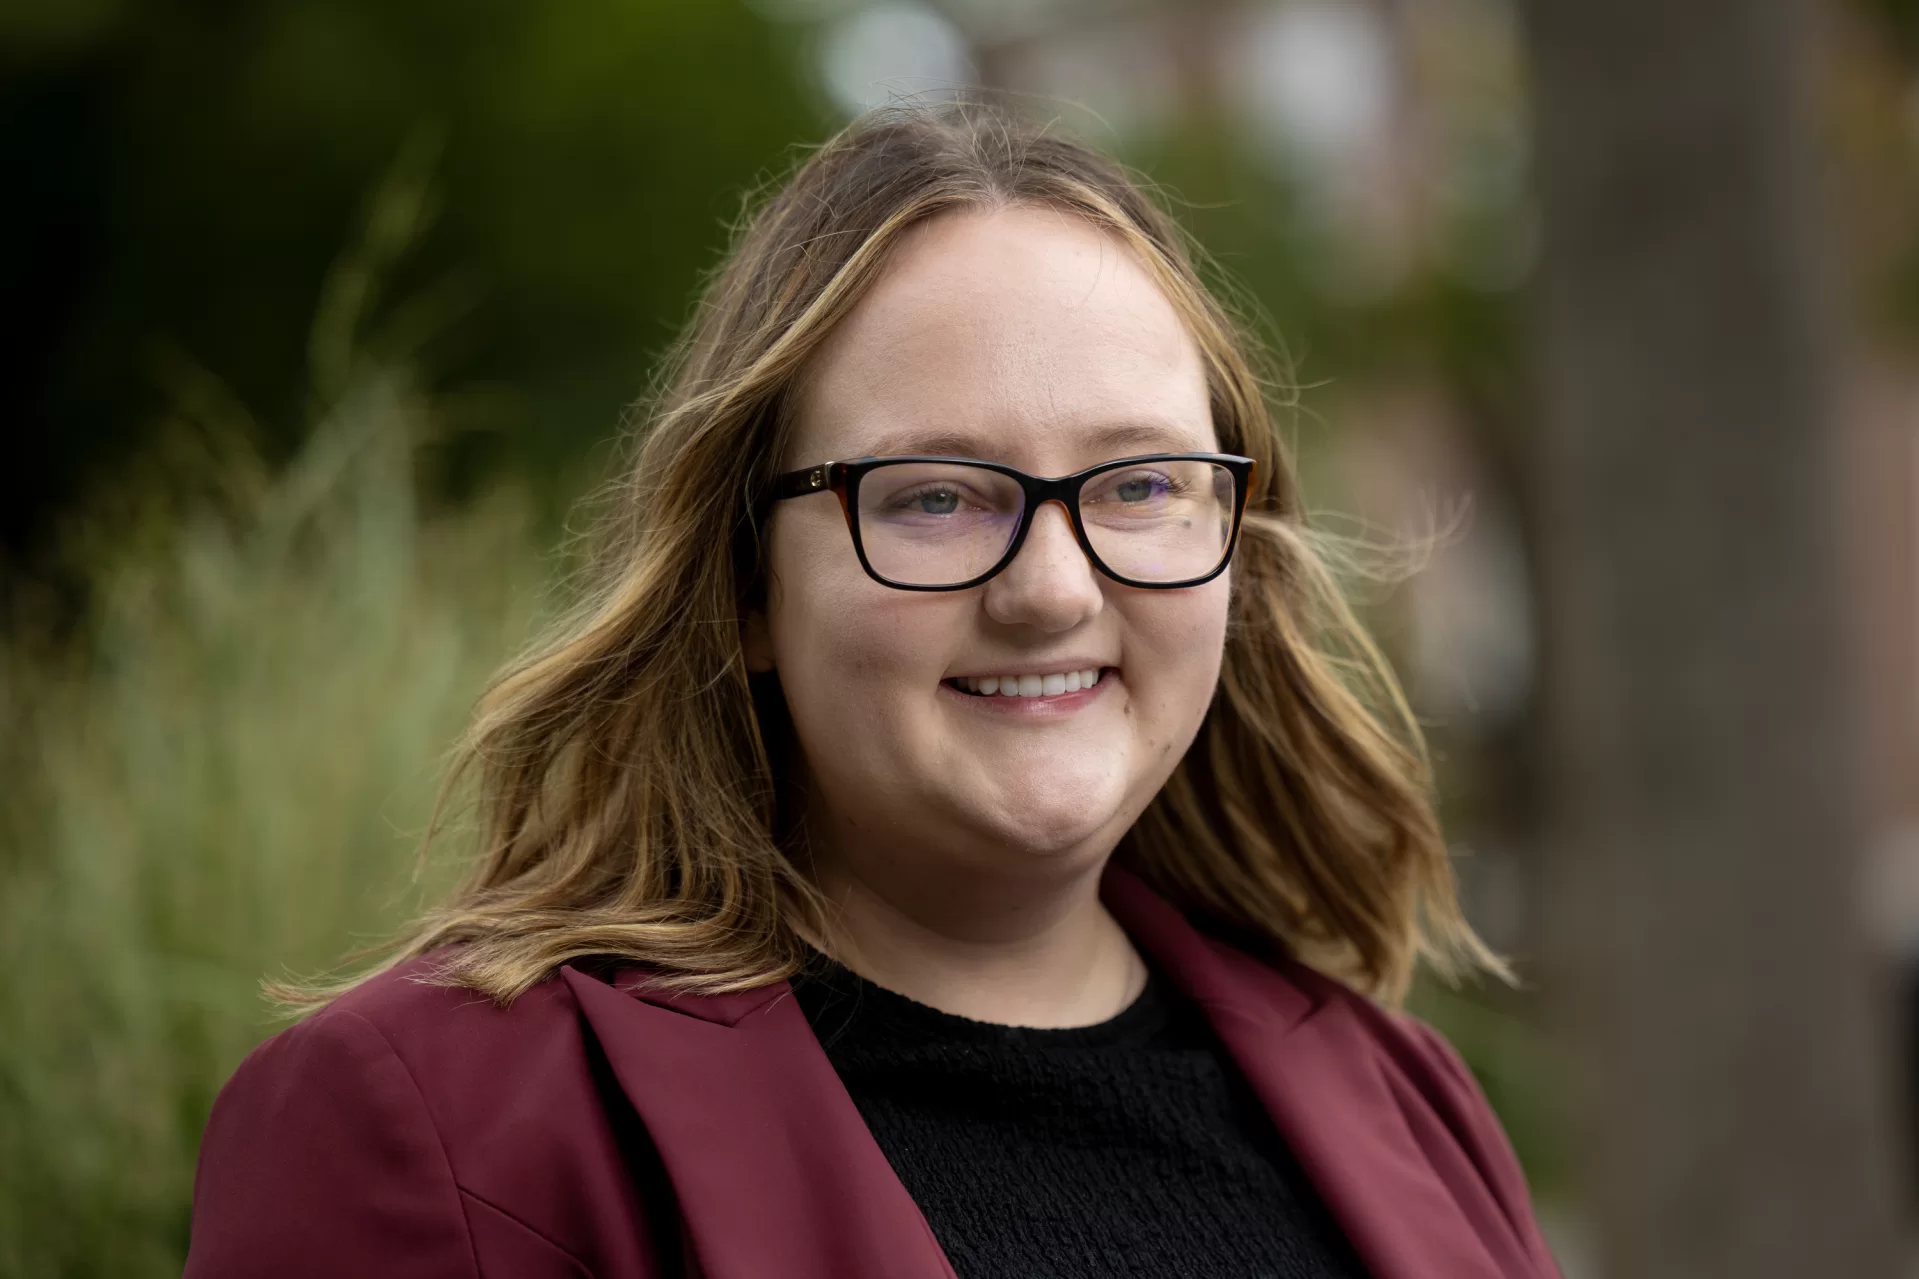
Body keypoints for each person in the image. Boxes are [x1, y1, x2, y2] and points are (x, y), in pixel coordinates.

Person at [184, 102, 1562, 1279]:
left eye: (1138, 484)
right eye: (934, 497)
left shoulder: (1406, 1103)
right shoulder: (440, 1126)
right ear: (743, 588)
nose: (1052, 590)